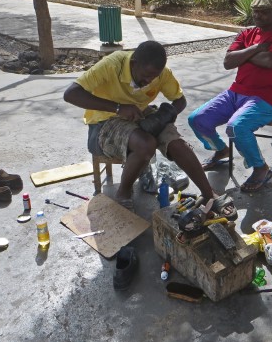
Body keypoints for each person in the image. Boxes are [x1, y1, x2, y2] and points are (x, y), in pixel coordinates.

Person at [64, 41, 234, 216]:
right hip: (105, 120)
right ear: (134, 63)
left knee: (175, 143)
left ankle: (208, 194)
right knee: (146, 144)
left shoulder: (160, 74)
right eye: (146, 76)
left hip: (139, 114)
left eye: (154, 77)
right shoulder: (113, 64)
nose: (149, 81)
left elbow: (180, 100)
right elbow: (70, 93)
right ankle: (123, 193)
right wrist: (118, 108)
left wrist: (164, 116)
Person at [188, 0, 272, 192]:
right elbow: (228, 62)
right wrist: (256, 48)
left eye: (263, 13)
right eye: (255, 12)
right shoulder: (247, 34)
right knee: (197, 119)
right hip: (235, 93)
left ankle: (261, 168)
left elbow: (271, 62)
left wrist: (243, 55)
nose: (257, 16)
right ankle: (220, 150)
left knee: (236, 127)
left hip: (267, 99)